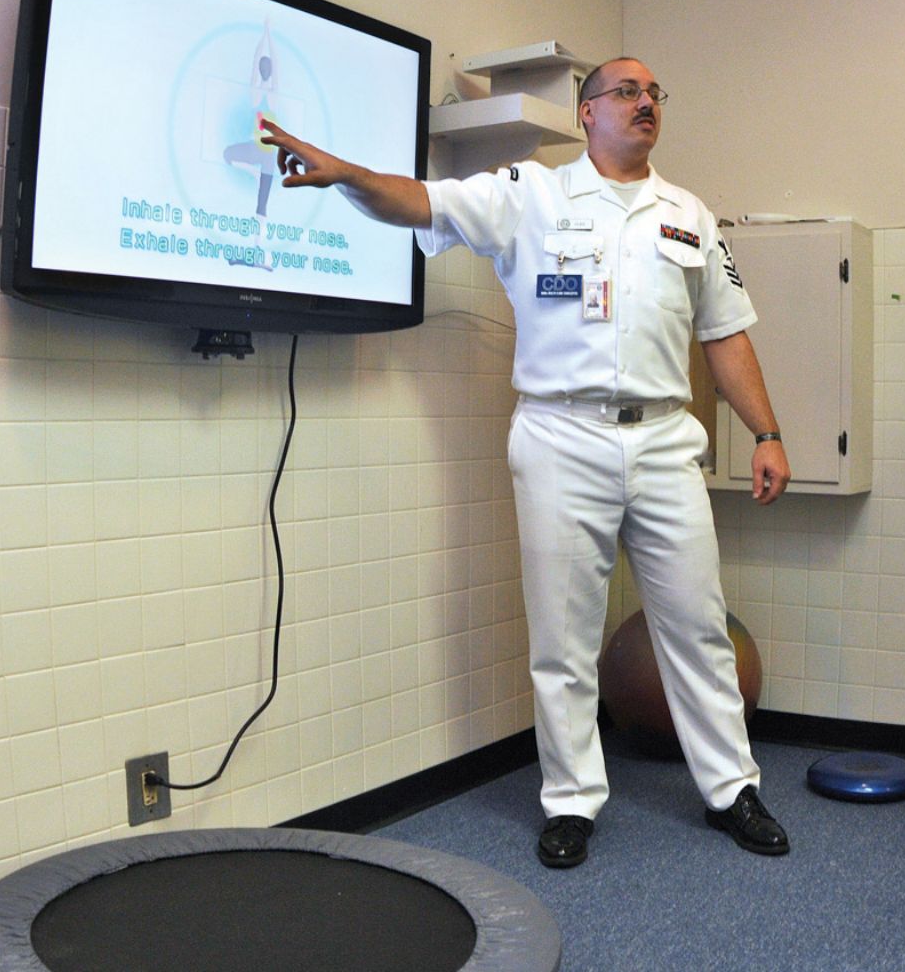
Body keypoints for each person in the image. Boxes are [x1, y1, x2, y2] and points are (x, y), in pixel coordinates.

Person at [258, 57, 792, 868]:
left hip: (663, 439)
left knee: (698, 625)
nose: (645, 102)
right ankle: (571, 800)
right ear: (586, 114)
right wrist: (344, 177)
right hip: (559, 435)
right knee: (562, 635)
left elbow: (725, 331)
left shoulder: (689, 214)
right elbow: (423, 200)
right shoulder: (530, 193)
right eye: (626, 91)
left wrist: (766, 432)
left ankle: (730, 789)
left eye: (655, 92)